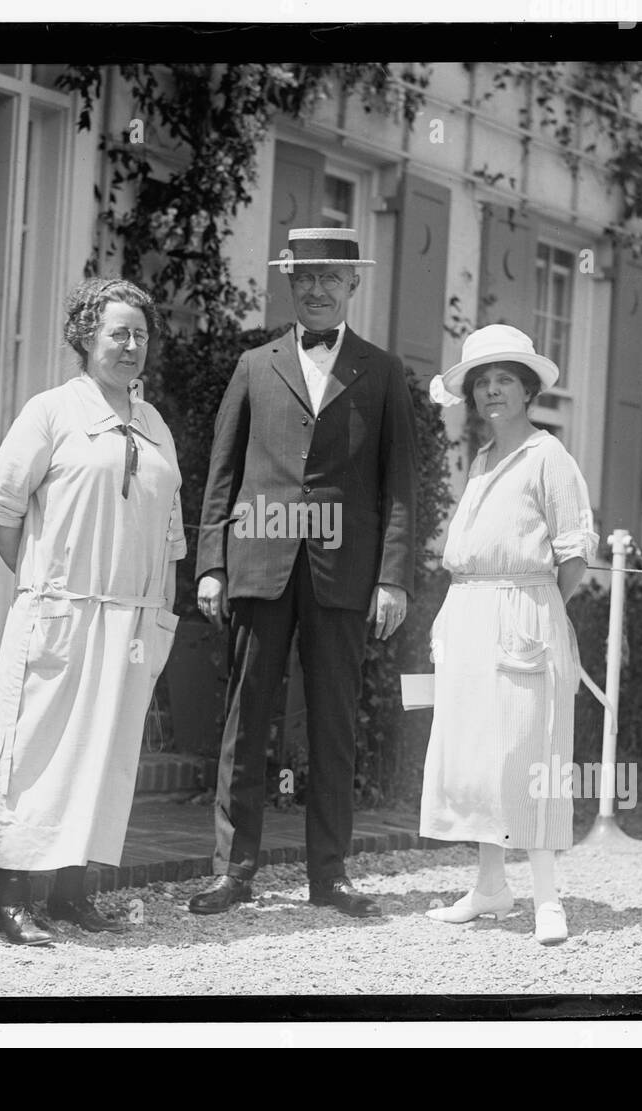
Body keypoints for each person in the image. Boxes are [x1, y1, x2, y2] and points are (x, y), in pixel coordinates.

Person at [190, 227, 417, 918]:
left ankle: (330, 874)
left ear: (354, 284)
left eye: (331, 276)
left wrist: (394, 577)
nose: (317, 288)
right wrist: (211, 564)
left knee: (334, 725)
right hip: (259, 565)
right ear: (290, 282)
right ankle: (234, 872)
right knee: (244, 721)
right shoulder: (254, 365)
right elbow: (222, 474)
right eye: (305, 276)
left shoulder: (383, 373)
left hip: (343, 574)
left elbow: (401, 487)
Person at [0, 278, 185, 945]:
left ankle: (73, 892)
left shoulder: (154, 422)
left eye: (140, 334)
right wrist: (46, 585)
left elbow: (170, 532)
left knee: (105, 754)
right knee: (33, 753)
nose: (131, 345)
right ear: (85, 338)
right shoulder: (51, 411)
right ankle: (12, 897)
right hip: (60, 613)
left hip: (131, 620)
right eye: (118, 332)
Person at [420, 325, 597, 946]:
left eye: (505, 382)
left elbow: (574, 552)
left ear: (527, 392)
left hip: (523, 616)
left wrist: (536, 610)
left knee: (530, 755)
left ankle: (547, 897)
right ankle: (491, 887)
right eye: (483, 383)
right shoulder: (484, 459)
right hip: (469, 613)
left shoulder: (549, 456)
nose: (493, 392)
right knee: (475, 757)